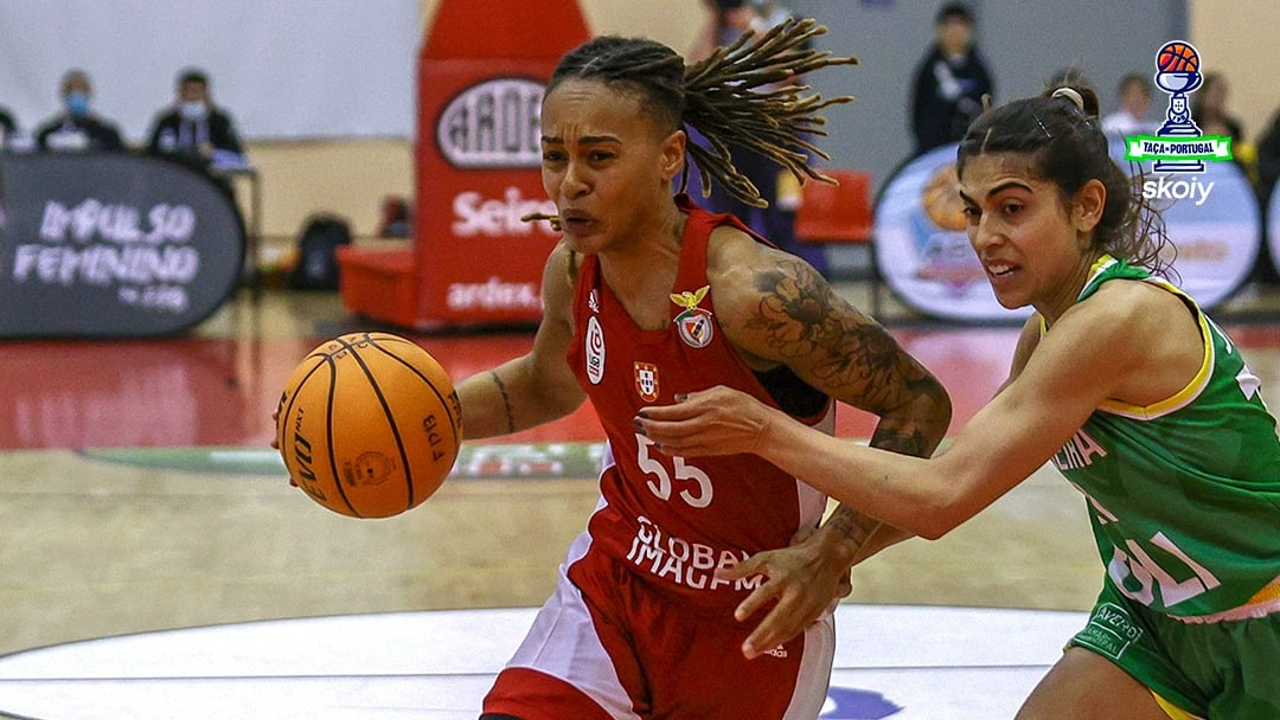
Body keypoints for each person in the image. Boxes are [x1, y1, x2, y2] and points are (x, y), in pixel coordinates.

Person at [637, 84, 1280, 719]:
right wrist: (834, 550)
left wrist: (764, 429)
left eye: (1013, 209)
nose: (985, 236)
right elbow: (961, 474)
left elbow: (941, 496)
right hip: (1157, 621)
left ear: (1086, 208)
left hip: (1266, 618)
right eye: (974, 211)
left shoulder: (1120, 319)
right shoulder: (1048, 331)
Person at [460, 20, 952, 720]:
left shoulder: (756, 294)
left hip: (754, 613)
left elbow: (920, 405)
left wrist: (834, 552)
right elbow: (544, 382)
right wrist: (426, 422)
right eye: (554, 157)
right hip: (616, 586)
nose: (570, 184)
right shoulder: (571, 268)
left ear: (668, 156)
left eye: (599, 158)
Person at [687, 0, 828, 274]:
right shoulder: (723, 32)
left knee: (783, 220)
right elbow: (697, 70)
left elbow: (788, 72)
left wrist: (752, 27)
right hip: (729, 135)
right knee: (727, 220)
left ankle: (795, 285)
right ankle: (733, 283)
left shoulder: (789, 23)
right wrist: (715, 19)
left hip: (778, 136)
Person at [909, 2, 995, 157]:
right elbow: (918, 109)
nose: (954, 31)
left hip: (969, 150)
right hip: (932, 151)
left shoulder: (979, 70)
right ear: (939, 30)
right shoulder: (929, 69)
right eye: (949, 26)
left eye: (960, 25)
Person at [146, 68, 246, 168]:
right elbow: (152, 153)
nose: (191, 97)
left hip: (210, 175)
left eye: (196, 92)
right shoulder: (167, 121)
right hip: (175, 173)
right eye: (186, 92)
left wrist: (214, 153)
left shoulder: (220, 121)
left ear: (206, 95)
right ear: (179, 95)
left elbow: (237, 155)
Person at [34, 69, 125, 152]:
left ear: (88, 93)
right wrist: (59, 121)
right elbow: (40, 141)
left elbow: (115, 143)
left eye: (81, 90)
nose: (77, 94)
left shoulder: (103, 131)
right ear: (64, 94)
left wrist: (94, 123)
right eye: (72, 90)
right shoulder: (52, 131)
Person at [1101, 73, 1156, 140]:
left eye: (1143, 94)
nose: (1138, 99)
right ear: (1123, 97)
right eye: (1133, 94)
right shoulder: (1110, 125)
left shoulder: (1154, 128)